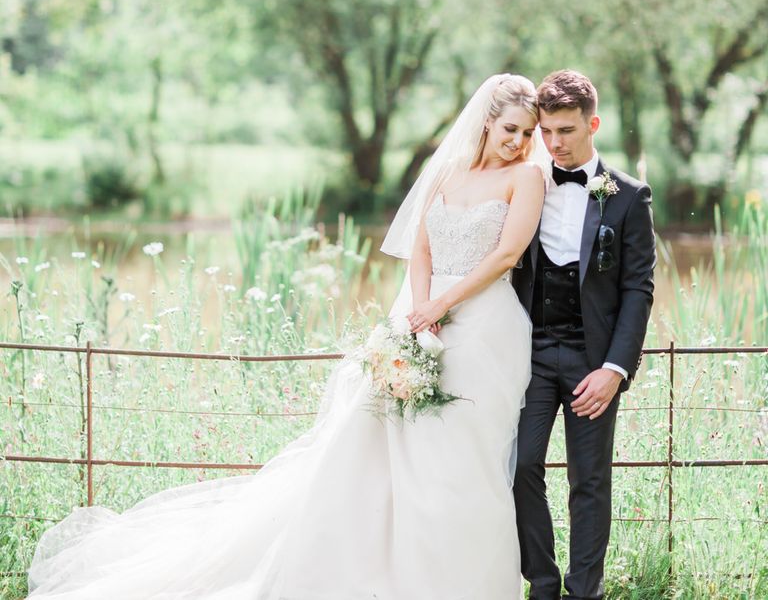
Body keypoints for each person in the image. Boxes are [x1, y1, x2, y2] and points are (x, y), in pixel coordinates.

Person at [26, 74, 545, 599]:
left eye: (528, 134)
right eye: (511, 129)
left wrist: (442, 303)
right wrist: (417, 310)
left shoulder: (525, 178)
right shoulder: (449, 171)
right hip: (419, 319)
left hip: (484, 328)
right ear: (485, 121)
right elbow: (423, 249)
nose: (519, 143)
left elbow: (505, 254)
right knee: (389, 448)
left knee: (462, 456)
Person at [511, 70, 656, 600]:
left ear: (593, 123)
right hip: (528, 356)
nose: (554, 144)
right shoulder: (525, 183)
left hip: (593, 360)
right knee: (520, 465)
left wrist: (615, 370)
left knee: (589, 481)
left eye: (566, 131)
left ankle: (584, 591)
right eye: (546, 132)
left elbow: (639, 289)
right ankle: (543, 585)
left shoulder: (628, 196)